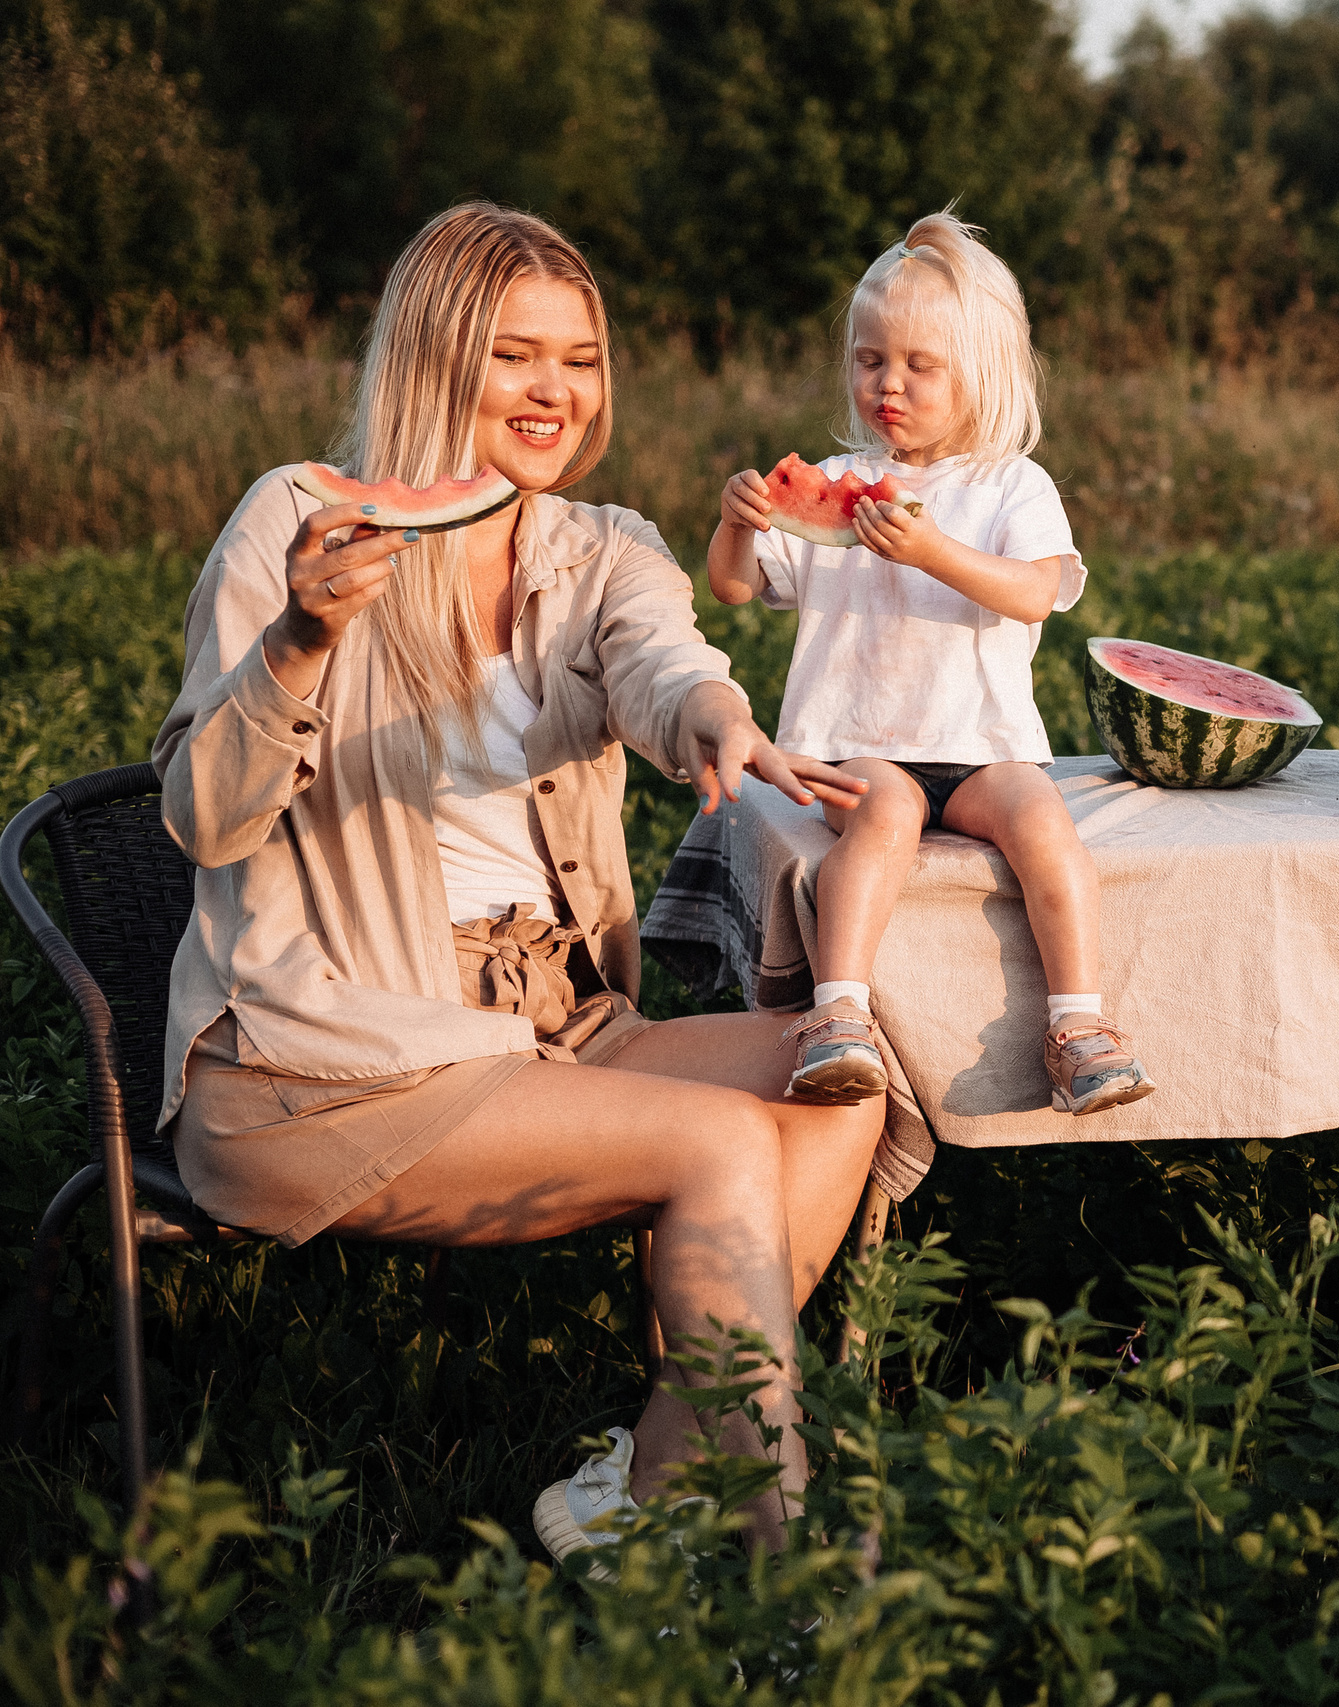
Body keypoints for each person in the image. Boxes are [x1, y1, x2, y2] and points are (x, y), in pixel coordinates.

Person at [154, 203, 882, 1560]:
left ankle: (657, 1479)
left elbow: (661, 661)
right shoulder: (298, 521)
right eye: (516, 355)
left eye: (583, 358)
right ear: (436, 358)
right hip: (325, 1051)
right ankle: (762, 1564)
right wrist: (304, 641)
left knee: (839, 1077)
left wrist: (715, 715)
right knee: (722, 1142)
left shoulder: (602, 546)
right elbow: (201, 815)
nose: (557, 391)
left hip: (552, 1020)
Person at [706, 211, 1156, 1119]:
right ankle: (837, 1017)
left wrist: (932, 552)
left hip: (982, 745)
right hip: (856, 742)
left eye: (920, 366)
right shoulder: (837, 475)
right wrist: (736, 521)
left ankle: (1079, 1027)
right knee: (887, 812)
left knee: (1045, 826)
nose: (889, 385)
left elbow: (1034, 593)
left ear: (980, 375)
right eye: (872, 360)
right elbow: (732, 589)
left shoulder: (1011, 485)